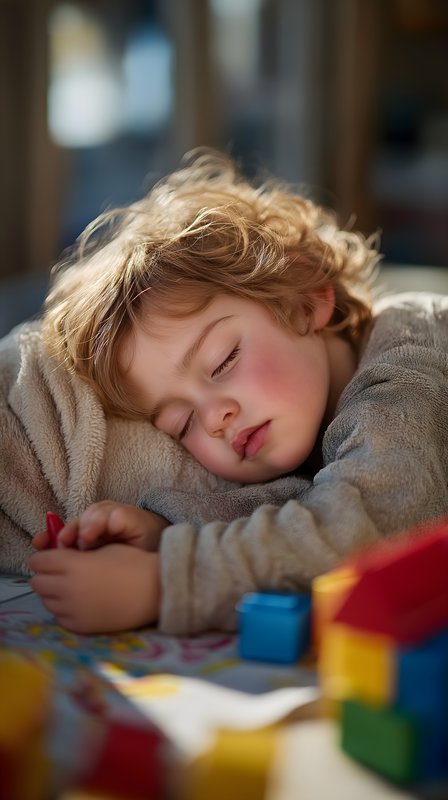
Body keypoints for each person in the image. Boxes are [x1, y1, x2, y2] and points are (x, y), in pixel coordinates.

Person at [28, 149, 448, 636]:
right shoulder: (313, 417)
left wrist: (165, 582)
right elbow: (309, 504)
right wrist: (167, 533)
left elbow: (374, 523)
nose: (213, 420)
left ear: (306, 297)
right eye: (181, 425)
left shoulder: (411, 360)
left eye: (222, 361)